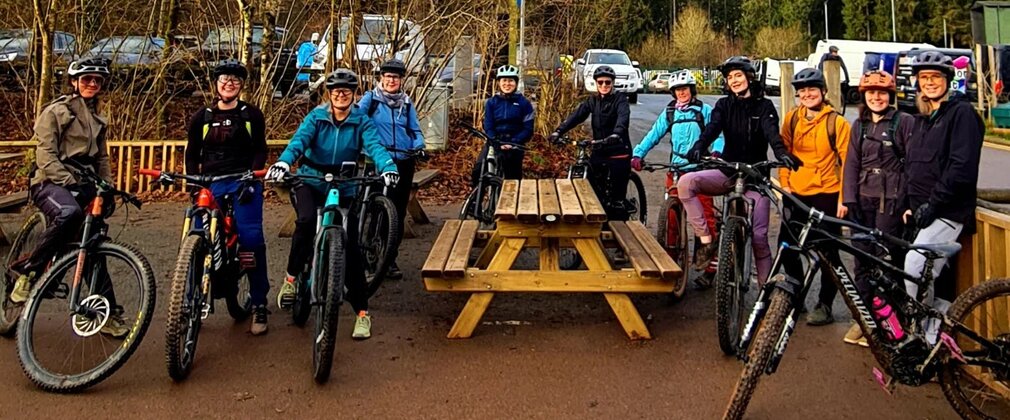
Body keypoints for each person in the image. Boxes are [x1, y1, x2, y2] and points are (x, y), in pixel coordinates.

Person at [268, 69, 399, 340]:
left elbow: (375, 146)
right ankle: (291, 279)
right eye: (336, 91)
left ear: (354, 95)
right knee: (304, 222)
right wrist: (284, 162)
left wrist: (387, 166)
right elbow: (298, 142)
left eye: (347, 91)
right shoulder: (316, 117)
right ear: (329, 94)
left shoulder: (361, 121)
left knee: (350, 245)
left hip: (344, 184)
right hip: (311, 180)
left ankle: (362, 313)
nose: (341, 95)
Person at [8, 57, 128, 338]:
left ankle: (105, 312)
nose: (92, 84)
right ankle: (28, 272)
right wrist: (68, 181)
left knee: (93, 243)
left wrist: (107, 186)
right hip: (50, 182)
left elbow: (101, 159)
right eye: (87, 79)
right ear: (74, 82)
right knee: (68, 213)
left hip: (84, 184)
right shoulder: (56, 111)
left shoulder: (98, 118)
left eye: (97, 81)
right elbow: (45, 156)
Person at [678, 56, 800, 287]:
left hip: (755, 177)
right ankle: (707, 240)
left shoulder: (764, 106)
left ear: (748, 77)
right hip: (728, 171)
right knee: (686, 183)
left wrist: (782, 153)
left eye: (738, 75)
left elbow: (772, 133)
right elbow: (712, 129)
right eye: (730, 77)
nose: (734, 81)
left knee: (760, 237)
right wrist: (699, 147)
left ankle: (765, 290)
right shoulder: (723, 105)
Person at [900, 50, 984, 345]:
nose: (930, 83)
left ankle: (928, 338)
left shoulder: (961, 114)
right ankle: (932, 335)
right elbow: (914, 167)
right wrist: (908, 206)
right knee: (932, 276)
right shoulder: (924, 118)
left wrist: (932, 205)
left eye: (936, 77)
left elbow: (961, 167)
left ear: (948, 80)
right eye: (924, 78)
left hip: (948, 210)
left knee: (915, 267)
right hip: (923, 211)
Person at [185, 60, 270, 335]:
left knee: (251, 239)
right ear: (216, 84)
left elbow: (260, 149)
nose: (229, 84)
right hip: (210, 183)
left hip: (243, 182)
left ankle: (258, 302)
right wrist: (193, 184)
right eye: (224, 79)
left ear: (241, 85)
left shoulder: (251, 115)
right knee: (196, 237)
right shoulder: (203, 117)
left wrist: (254, 176)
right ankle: (188, 300)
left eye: (234, 80)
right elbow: (191, 153)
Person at [839, 70, 918, 346]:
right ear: (863, 96)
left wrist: (909, 204)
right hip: (863, 200)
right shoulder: (858, 125)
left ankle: (887, 319)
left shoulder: (903, 122)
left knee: (885, 261)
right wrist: (849, 200)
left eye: (882, 93)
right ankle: (862, 320)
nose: (876, 97)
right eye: (871, 93)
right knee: (861, 260)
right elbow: (851, 164)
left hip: (891, 201)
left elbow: (913, 166)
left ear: (890, 96)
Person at [630, 69, 724, 286]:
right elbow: (654, 134)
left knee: (705, 217)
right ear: (673, 92)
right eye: (678, 90)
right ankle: (671, 263)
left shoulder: (704, 111)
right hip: (676, 168)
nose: (682, 93)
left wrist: (717, 152)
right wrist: (638, 153)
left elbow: (719, 134)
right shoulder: (670, 112)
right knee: (671, 220)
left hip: (699, 169)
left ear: (692, 89)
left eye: (685, 89)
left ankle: (710, 266)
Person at [776, 68, 852, 326]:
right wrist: (785, 184)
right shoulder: (791, 120)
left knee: (829, 253)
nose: (807, 95)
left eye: (812, 89)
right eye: (802, 91)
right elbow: (784, 154)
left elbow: (848, 162)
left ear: (823, 92)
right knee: (787, 249)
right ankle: (797, 297)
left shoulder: (836, 122)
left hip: (827, 193)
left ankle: (825, 305)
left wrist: (844, 198)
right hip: (796, 193)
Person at [356, 58, 425, 280]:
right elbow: (357, 120)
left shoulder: (406, 103)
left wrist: (419, 146)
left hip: (403, 160)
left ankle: (389, 258)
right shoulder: (371, 99)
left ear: (401, 80)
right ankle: (367, 255)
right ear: (381, 78)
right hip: (377, 159)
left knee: (397, 211)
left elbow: (415, 130)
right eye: (387, 77)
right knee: (374, 209)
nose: (391, 81)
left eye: (395, 77)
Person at [548, 65, 632, 221]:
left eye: (607, 82)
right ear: (596, 83)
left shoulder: (620, 99)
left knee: (616, 195)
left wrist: (617, 133)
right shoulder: (592, 101)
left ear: (612, 83)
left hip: (618, 148)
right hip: (599, 148)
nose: (604, 86)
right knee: (594, 184)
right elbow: (577, 116)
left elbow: (623, 118)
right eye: (600, 82)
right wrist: (558, 131)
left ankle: (619, 214)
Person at [471, 64, 534, 182]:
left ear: (515, 83)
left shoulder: (524, 103)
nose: (507, 84)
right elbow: (488, 125)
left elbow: (528, 129)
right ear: (499, 83)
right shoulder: (491, 102)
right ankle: (476, 199)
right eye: (504, 80)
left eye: (510, 81)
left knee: (512, 179)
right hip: (495, 141)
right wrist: (494, 140)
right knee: (478, 170)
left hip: (515, 143)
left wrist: (513, 142)